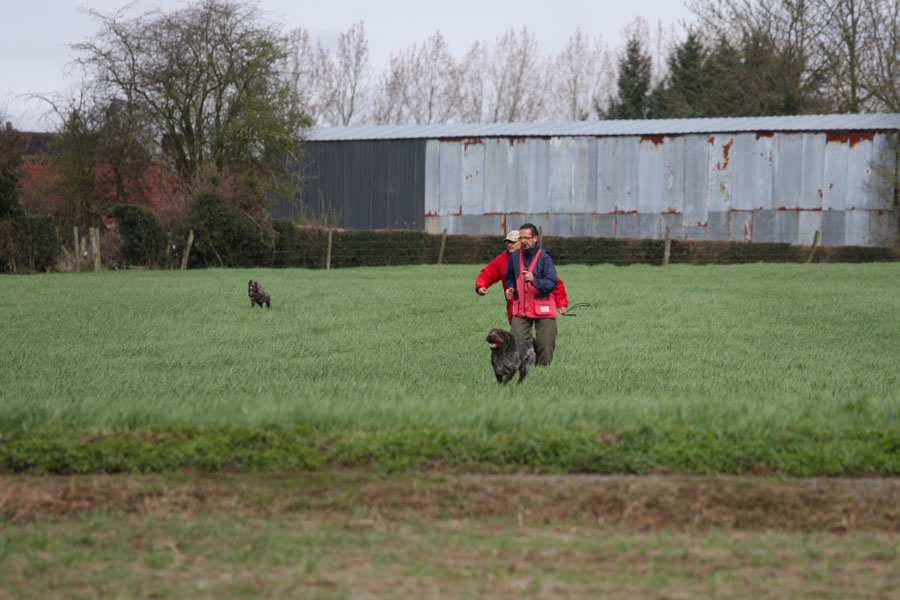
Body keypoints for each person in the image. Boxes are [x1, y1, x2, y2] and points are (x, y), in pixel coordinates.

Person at [476, 229, 568, 325]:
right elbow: (487, 274)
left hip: (538, 306)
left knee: (542, 336)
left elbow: (555, 283)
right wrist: (481, 286)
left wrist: (561, 304)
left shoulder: (537, 258)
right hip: (515, 307)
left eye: (513, 242)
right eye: (508, 242)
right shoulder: (501, 259)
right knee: (518, 337)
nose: (509, 244)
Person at [503, 223, 560, 365]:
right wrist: (510, 288)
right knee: (516, 342)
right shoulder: (515, 257)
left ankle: (543, 374)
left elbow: (552, 282)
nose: (523, 241)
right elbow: (509, 276)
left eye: (526, 238)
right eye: (521, 238)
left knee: (545, 346)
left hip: (543, 309)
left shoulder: (545, 258)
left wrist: (535, 280)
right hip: (521, 308)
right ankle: (530, 362)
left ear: (535, 238)